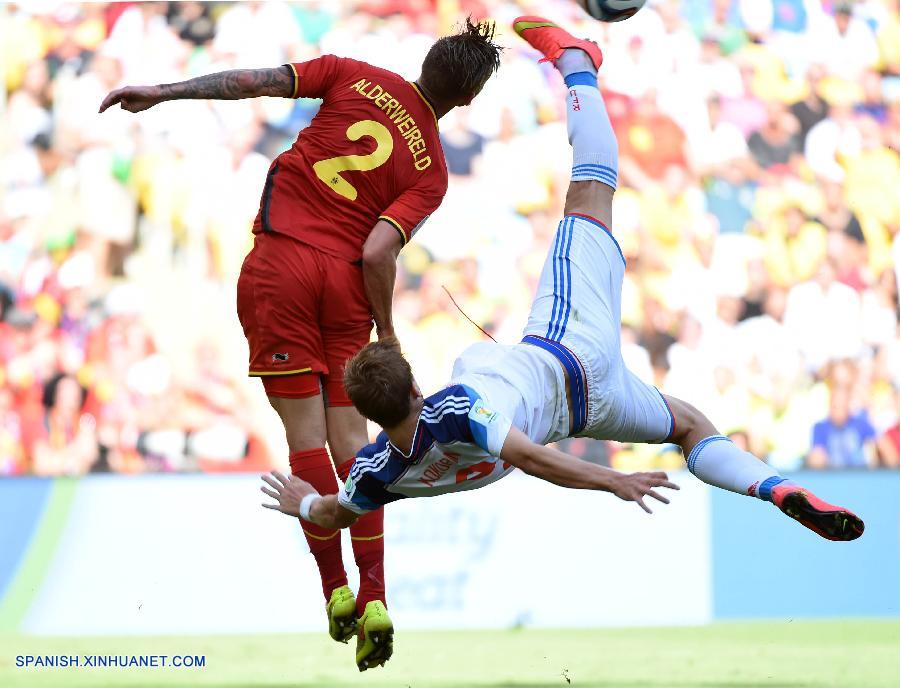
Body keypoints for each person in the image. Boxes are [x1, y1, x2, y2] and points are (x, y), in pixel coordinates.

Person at [259, 15, 865, 669]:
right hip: (566, 348)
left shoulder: (378, 472)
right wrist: (613, 481)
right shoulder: (455, 409)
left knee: (689, 425)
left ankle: (774, 489)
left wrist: (304, 503)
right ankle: (577, 63)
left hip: (589, 408)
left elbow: (339, 511)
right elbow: (530, 457)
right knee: (590, 190)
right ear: (414, 388)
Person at [99, 19, 502, 666]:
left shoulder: (353, 74)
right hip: (346, 289)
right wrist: (388, 335)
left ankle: (337, 591)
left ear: (427, 59)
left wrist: (165, 92)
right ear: (468, 99)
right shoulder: (432, 172)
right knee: (355, 447)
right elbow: (378, 252)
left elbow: (251, 83)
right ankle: (376, 595)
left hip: (283, 266)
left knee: (306, 439)